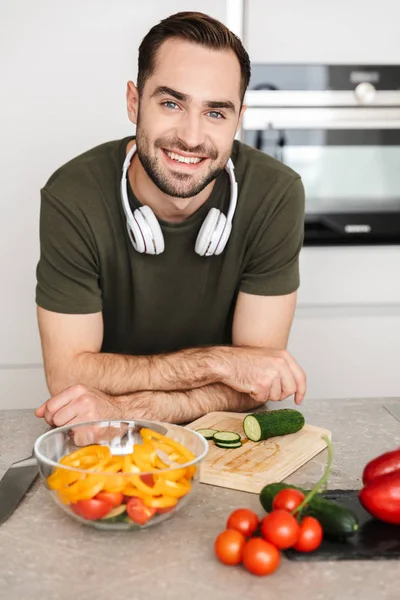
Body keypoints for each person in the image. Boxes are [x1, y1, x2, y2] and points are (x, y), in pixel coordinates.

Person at [34, 11, 306, 428]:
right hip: (102, 439)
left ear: (238, 118)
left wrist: (124, 408)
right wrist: (217, 363)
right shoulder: (72, 196)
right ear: (133, 102)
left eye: (216, 113)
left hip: (209, 437)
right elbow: (68, 376)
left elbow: (256, 380)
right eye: (171, 103)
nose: (192, 137)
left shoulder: (276, 194)